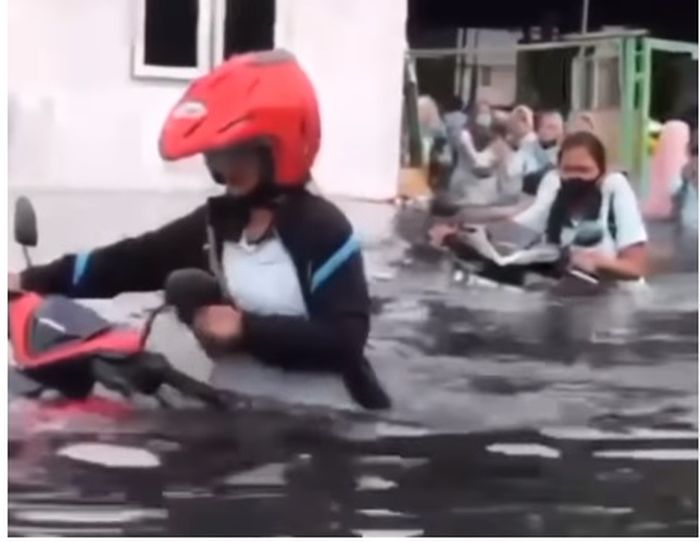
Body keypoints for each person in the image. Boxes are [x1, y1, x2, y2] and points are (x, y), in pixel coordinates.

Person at [8, 50, 391, 410]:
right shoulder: (218, 224)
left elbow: (346, 341)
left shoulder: (323, 229)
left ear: (272, 149)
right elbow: (131, 260)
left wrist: (246, 330)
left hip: (324, 426)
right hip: (235, 408)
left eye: (229, 148)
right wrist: (29, 279)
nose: (213, 159)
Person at [431, 131, 649, 282]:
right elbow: (514, 232)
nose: (575, 177)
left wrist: (596, 262)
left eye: (584, 170)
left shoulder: (614, 189)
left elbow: (636, 268)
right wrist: (459, 234)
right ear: (559, 170)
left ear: (601, 172)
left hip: (614, 303)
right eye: (568, 170)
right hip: (567, 297)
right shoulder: (555, 191)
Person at [521, 110, 565, 195]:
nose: (556, 131)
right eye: (549, 127)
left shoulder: (567, 150)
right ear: (538, 130)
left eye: (557, 127)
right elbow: (529, 180)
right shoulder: (527, 147)